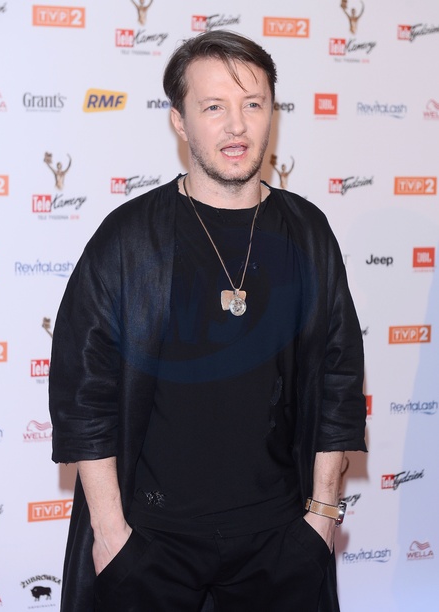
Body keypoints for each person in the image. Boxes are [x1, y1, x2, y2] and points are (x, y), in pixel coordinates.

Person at [49, 30, 366, 612]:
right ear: (180, 120)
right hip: (151, 542)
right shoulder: (129, 239)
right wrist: (112, 533)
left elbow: (338, 378)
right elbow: (83, 394)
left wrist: (322, 516)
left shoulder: (308, 233)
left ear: (272, 112)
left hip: (280, 541)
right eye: (214, 106)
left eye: (253, 104)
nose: (237, 126)